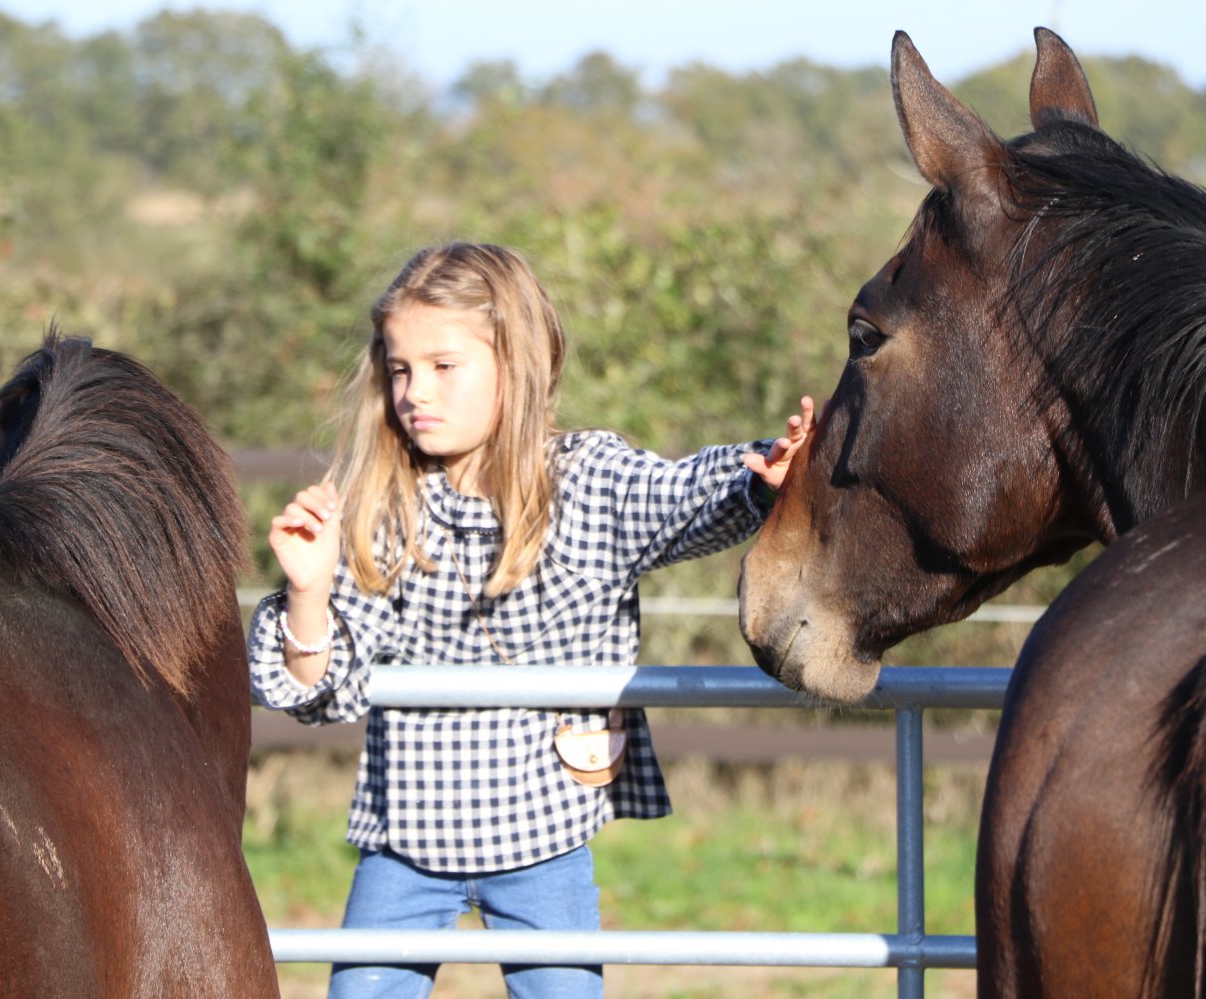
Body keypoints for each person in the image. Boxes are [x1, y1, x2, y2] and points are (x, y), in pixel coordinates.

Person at [248, 241, 814, 999]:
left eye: (444, 366)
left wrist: (764, 473)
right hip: (406, 836)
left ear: (514, 366)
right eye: (400, 368)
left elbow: (679, 494)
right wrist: (309, 590)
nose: (416, 391)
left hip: (543, 833)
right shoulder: (379, 506)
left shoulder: (584, 484)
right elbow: (318, 686)